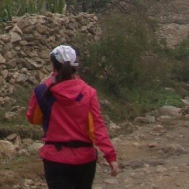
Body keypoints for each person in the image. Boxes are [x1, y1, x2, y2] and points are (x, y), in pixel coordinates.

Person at [26, 44, 120, 187]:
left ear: (53, 66)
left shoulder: (42, 90)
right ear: (75, 66)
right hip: (84, 160)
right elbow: (97, 128)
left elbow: (33, 118)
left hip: (55, 158)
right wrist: (110, 157)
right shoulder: (88, 92)